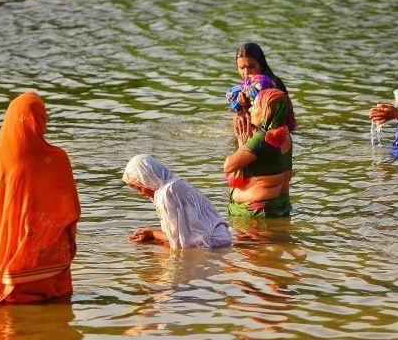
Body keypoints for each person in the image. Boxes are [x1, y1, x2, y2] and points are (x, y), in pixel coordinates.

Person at [0, 90, 80, 305]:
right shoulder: (56, 158)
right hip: (44, 249)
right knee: (57, 302)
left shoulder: (1, 154)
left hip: (9, 239)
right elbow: (69, 208)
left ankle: (9, 286)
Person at [122, 154, 231, 249]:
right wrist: (153, 234)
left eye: (140, 188)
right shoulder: (174, 183)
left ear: (148, 179)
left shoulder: (166, 193)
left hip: (213, 244)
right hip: (223, 238)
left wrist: (153, 233)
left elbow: (179, 242)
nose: (142, 193)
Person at [224, 88, 293, 217]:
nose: (250, 110)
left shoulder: (262, 138)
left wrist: (242, 145)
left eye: (255, 106)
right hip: (281, 207)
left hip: (256, 213)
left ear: (267, 112)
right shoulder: (286, 136)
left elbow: (228, 165)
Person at [229, 43, 296, 141]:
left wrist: (248, 106)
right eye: (242, 68)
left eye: (251, 66)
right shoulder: (247, 86)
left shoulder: (271, 85)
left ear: (261, 65)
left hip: (274, 135)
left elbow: (270, 122)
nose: (246, 73)